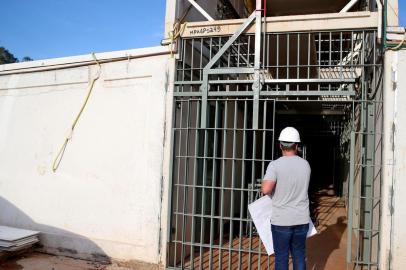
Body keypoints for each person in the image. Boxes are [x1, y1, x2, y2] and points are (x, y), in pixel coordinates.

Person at [261, 127, 311, 270]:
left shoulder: (275, 165)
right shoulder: (306, 165)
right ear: (297, 145)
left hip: (281, 221)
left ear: (280, 145)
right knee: (299, 255)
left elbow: (266, 189)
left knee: (282, 257)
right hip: (301, 219)